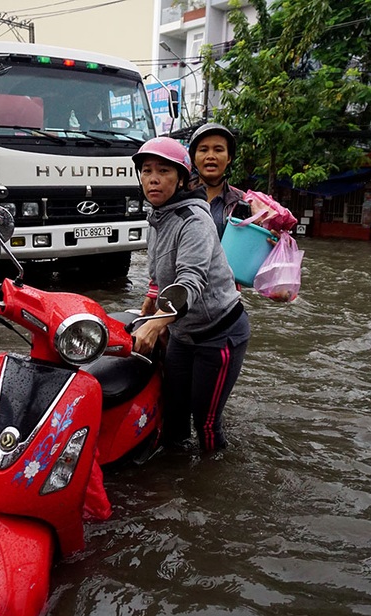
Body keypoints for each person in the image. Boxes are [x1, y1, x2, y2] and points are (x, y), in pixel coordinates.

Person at [131, 136, 250, 453]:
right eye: (146, 171)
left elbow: (190, 281)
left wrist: (156, 325)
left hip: (219, 334)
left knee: (206, 423)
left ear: (181, 178)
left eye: (163, 171)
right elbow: (159, 274)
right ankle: (175, 480)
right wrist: (145, 311)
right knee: (173, 413)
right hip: (183, 333)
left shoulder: (194, 219)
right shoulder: (156, 216)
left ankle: (212, 488)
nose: (153, 179)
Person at [187, 122, 250, 239]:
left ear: (229, 158)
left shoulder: (241, 202)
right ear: (194, 159)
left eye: (218, 150)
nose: (211, 156)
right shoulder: (178, 196)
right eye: (203, 150)